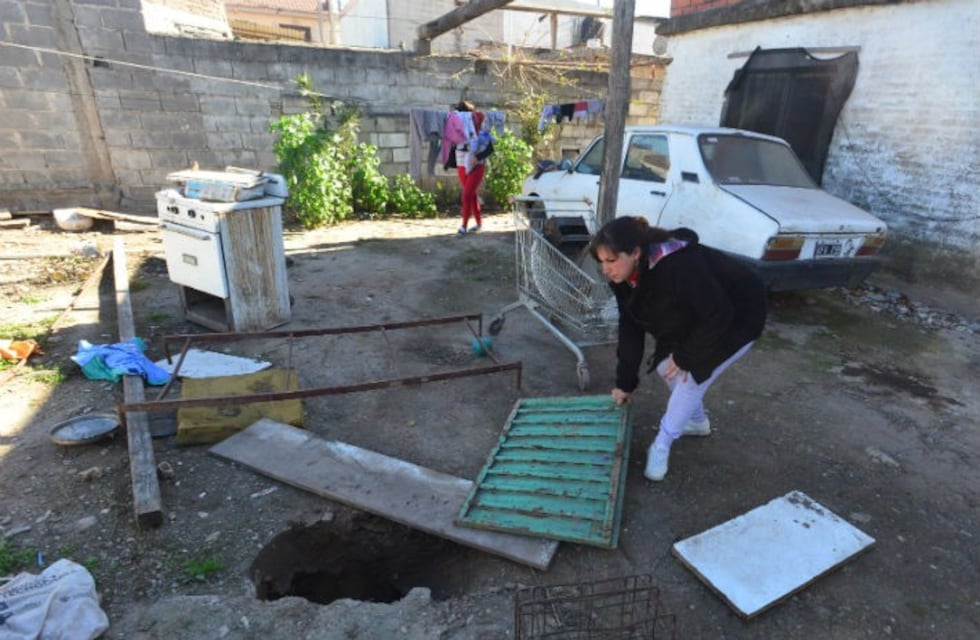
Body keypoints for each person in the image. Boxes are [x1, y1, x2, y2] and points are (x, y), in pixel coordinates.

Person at [589, 216, 767, 481]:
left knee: (690, 374)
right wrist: (625, 383)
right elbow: (630, 327)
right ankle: (696, 422)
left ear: (636, 253)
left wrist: (687, 356)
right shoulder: (623, 277)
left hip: (739, 314)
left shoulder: (679, 265)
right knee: (665, 366)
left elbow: (719, 314)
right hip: (695, 316)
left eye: (611, 261)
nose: (606, 270)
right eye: (601, 261)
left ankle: (662, 443)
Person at [448, 100, 487, 236]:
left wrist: (478, 156)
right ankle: (478, 222)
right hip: (461, 165)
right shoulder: (454, 128)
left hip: (477, 165)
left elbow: (490, 148)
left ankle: (464, 226)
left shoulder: (479, 129)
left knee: (467, 194)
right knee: (471, 194)